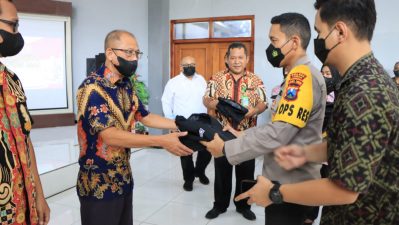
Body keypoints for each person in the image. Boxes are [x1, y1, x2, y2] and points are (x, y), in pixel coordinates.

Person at [237, 1, 399, 225]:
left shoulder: (365, 92)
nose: (316, 41)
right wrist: (305, 154)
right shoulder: (361, 80)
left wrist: (275, 192)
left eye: (319, 32)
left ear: (340, 32)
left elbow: (345, 190)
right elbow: (349, 145)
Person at [201, 13, 326, 225]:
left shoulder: (300, 77)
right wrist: (242, 133)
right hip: (278, 166)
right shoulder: (297, 75)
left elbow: (278, 132)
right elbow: (283, 126)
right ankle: (220, 203)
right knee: (223, 177)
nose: (271, 48)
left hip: (290, 180)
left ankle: (243, 206)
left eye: (274, 41)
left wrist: (225, 149)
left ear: (294, 42)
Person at [76, 30, 193, 225]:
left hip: (123, 178)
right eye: (129, 53)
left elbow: (144, 117)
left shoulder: (126, 85)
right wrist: (160, 141)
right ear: (110, 53)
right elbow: (110, 136)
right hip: (98, 183)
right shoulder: (92, 88)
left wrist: (181, 123)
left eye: (137, 53)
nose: (134, 59)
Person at [203, 42, 267, 221]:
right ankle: (220, 205)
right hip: (222, 134)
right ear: (227, 59)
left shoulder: (256, 80)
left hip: (247, 135)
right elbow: (206, 99)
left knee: (245, 172)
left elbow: (263, 103)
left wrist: (254, 111)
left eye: (240, 58)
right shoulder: (216, 78)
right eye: (233, 58)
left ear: (246, 59)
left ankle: (243, 205)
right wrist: (216, 104)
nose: (237, 61)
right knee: (222, 172)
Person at [0, 1, 50, 224]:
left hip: (22, 206)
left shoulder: (12, 80)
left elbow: (26, 141)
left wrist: (38, 194)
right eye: (13, 25)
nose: (16, 34)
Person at [161, 56, 211, 191]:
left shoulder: (201, 80)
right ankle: (188, 179)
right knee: (185, 153)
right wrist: (171, 123)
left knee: (207, 150)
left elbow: (206, 99)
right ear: (180, 67)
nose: (190, 66)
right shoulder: (173, 82)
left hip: (202, 122)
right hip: (183, 123)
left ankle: (200, 172)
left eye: (193, 64)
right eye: (187, 64)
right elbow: (166, 102)